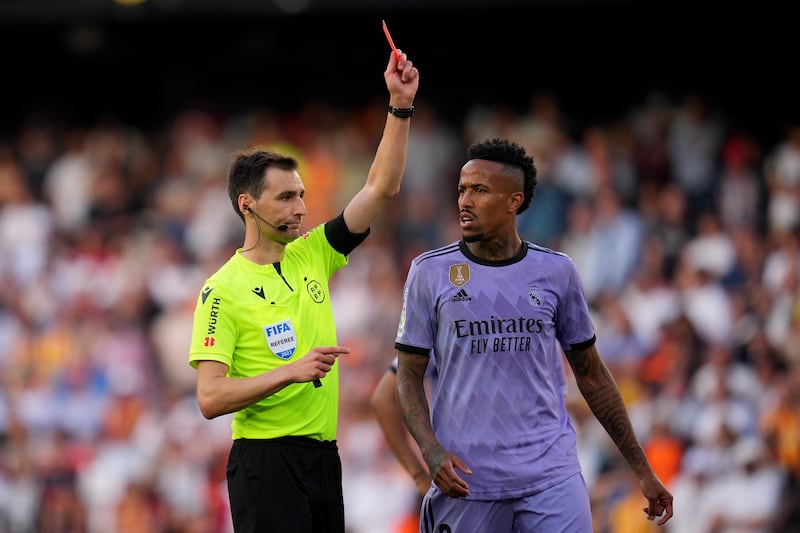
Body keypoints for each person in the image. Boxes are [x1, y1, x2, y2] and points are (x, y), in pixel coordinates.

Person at [188, 49, 419, 533]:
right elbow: (209, 398)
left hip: (322, 457)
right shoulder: (222, 289)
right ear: (247, 205)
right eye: (287, 197)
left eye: (302, 196)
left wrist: (399, 106)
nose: (300, 208)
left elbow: (380, 188)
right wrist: (289, 372)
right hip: (265, 463)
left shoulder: (312, 253)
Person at [394, 138, 673, 532]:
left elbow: (592, 375)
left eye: (480, 190)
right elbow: (406, 377)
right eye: (461, 190)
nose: (464, 201)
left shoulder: (557, 272)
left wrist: (642, 470)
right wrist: (431, 450)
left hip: (550, 477)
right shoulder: (429, 273)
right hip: (467, 481)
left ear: (515, 201)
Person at [370, 356, 433, 497]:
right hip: (461, 480)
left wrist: (420, 477)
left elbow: (382, 398)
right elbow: (382, 399)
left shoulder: (434, 335)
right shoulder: (435, 335)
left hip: (458, 479)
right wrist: (420, 477)